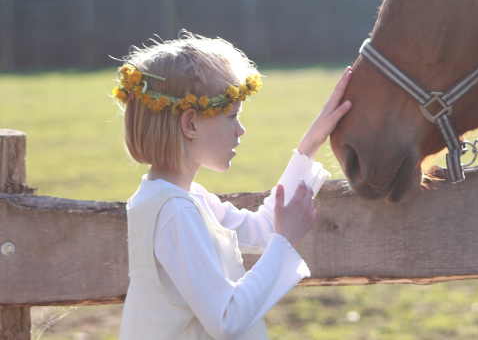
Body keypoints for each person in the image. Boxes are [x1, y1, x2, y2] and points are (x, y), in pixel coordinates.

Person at [114, 33, 351, 340]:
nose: (240, 130)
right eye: (232, 116)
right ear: (190, 125)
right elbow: (226, 319)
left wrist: (311, 143)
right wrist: (286, 240)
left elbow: (264, 229)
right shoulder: (175, 211)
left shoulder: (185, 199)